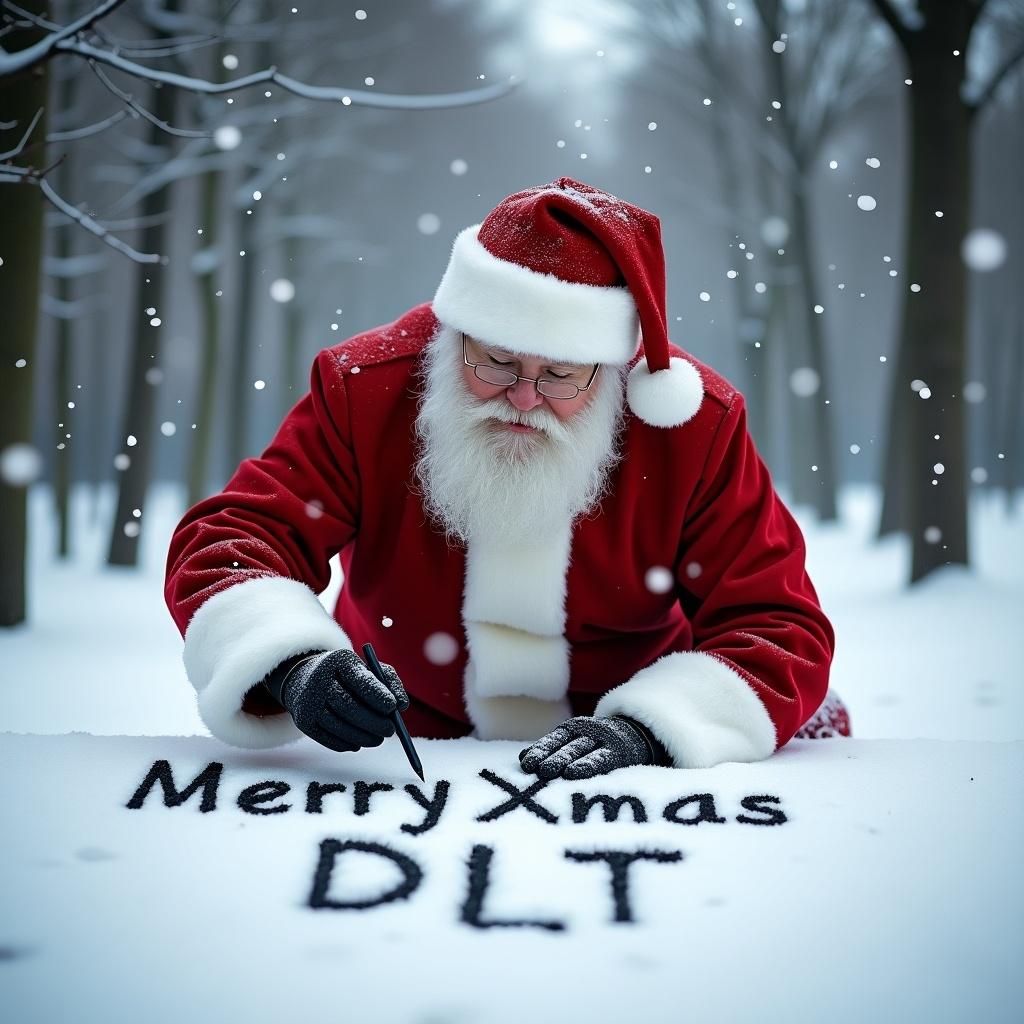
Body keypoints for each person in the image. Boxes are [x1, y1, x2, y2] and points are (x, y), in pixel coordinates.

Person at [164, 176, 850, 782]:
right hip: (404, 749)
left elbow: (776, 624)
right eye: (493, 361)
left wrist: (654, 728)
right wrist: (295, 666)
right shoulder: (365, 390)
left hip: (622, 768)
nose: (522, 398)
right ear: (455, 331)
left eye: (558, 375)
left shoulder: (690, 428)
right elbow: (234, 536)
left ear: (609, 369)